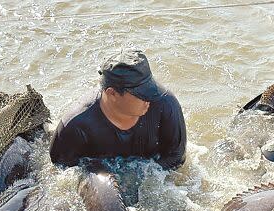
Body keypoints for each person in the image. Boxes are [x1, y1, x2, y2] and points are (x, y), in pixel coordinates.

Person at [50, 49, 187, 170]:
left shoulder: (166, 105)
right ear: (112, 93)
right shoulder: (75, 126)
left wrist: (139, 178)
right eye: (142, 94)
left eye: (151, 88)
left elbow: (176, 158)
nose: (150, 99)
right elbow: (62, 170)